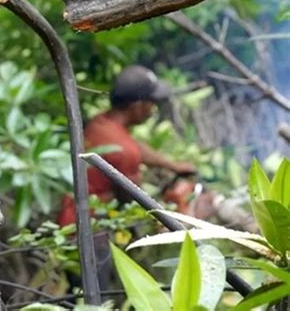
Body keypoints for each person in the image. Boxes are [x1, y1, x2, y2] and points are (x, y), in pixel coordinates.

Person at [57, 65, 196, 227]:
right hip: (89, 229)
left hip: (69, 214)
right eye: (152, 103)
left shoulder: (101, 123)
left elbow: (132, 147)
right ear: (137, 106)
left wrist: (172, 165)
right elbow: (133, 200)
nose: (153, 109)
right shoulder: (125, 149)